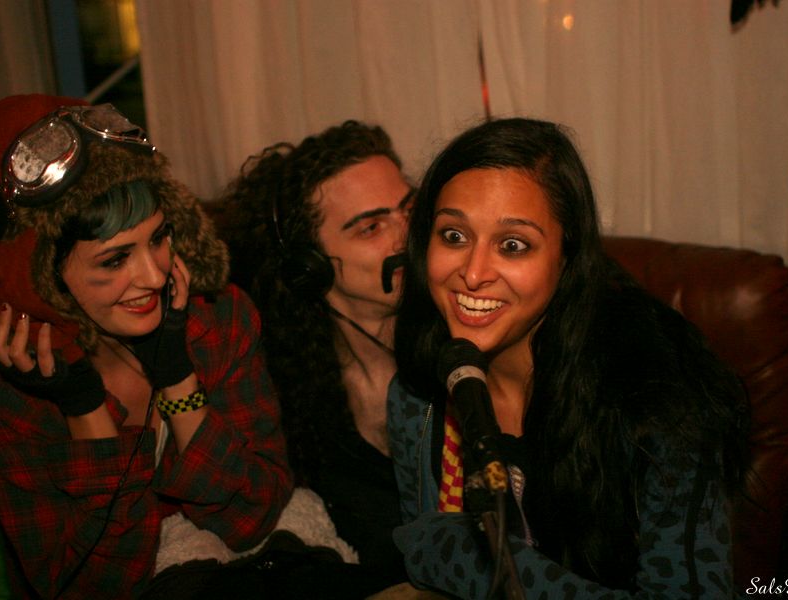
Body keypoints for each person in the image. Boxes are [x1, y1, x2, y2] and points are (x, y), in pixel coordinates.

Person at [388, 117, 749, 598]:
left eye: (512, 245)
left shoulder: (656, 397)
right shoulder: (418, 396)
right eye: (454, 236)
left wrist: (472, 555)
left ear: (567, 257)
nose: (473, 274)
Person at [0, 95, 293, 599]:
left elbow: (253, 518)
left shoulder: (215, 318)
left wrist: (177, 377)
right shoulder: (4, 392)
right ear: (39, 280)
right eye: (114, 260)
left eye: (159, 237)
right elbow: (91, 586)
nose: (153, 275)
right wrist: (83, 407)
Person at [217, 121, 413, 590]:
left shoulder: (472, 352)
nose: (409, 235)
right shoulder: (292, 398)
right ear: (309, 266)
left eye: (409, 209)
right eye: (372, 227)